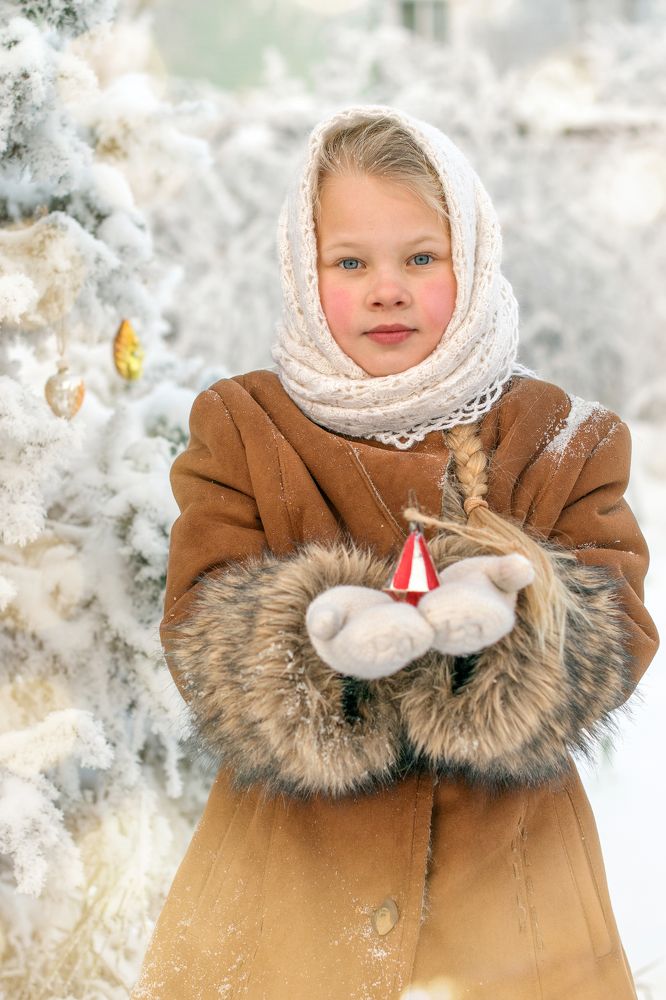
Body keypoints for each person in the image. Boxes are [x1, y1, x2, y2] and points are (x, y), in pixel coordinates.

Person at [132, 106, 658, 1000]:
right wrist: (318, 640)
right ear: (304, 271)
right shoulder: (244, 427)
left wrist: (510, 632)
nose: (388, 289)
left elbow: (617, 630)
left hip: (516, 913)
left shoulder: (562, 436)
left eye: (421, 257)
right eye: (350, 262)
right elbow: (198, 620)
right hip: (284, 908)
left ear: (475, 259)